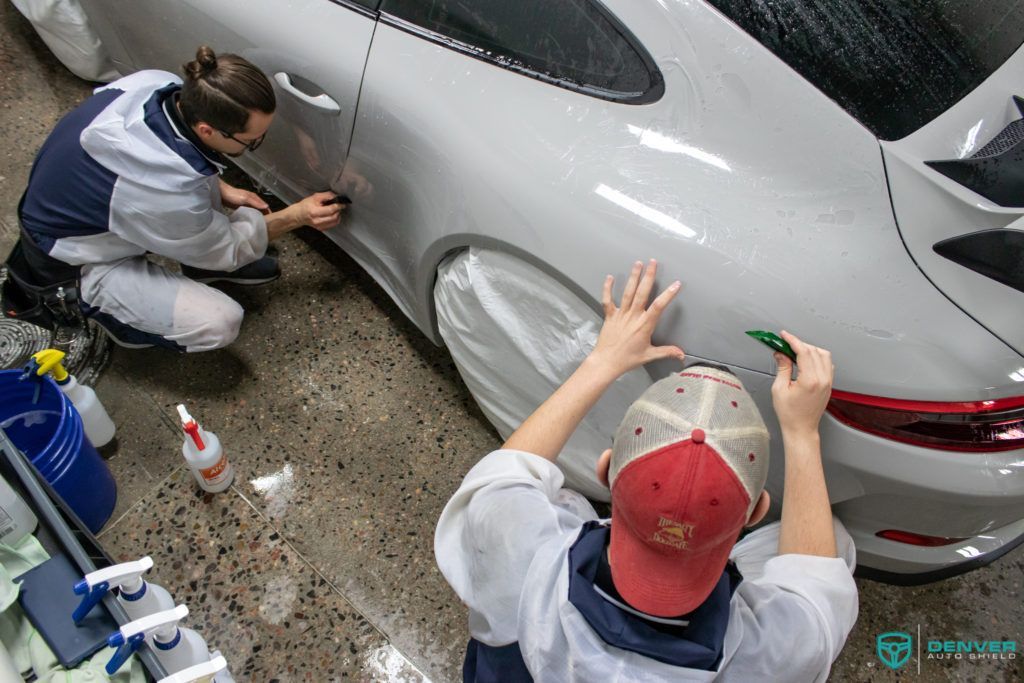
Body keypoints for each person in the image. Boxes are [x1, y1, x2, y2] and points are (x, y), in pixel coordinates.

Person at [435, 260, 859, 681]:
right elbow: (820, 583)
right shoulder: (778, 651)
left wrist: (603, 361)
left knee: (561, 502)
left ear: (605, 469)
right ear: (755, 511)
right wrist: (803, 434)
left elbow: (507, 474)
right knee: (835, 544)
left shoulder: (521, 551)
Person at [6, 46, 342, 351]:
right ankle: (120, 322)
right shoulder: (159, 193)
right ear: (208, 130)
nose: (256, 144)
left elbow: (175, 179)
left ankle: (196, 261)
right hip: (75, 263)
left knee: (196, 199)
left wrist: (222, 190)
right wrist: (297, 216)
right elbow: (226, 247)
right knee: (219, 321)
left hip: (91, 208)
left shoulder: (159, 85)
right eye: (251, 141)